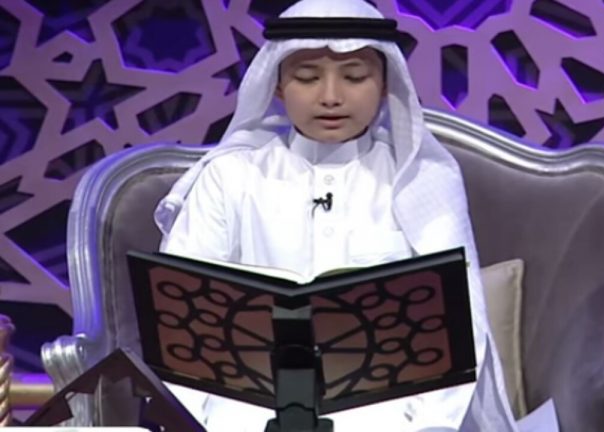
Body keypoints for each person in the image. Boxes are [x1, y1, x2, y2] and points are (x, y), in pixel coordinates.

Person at [154, 0, 517, 430]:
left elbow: (460, 323)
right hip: (246, 407)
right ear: (277, 86)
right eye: (307, 77)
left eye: (354, 76)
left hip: (389, 407)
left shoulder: (423, 181)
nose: (330, 97)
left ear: (385, 84)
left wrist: (431, 427)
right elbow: (183, 322)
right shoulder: (230, 177)